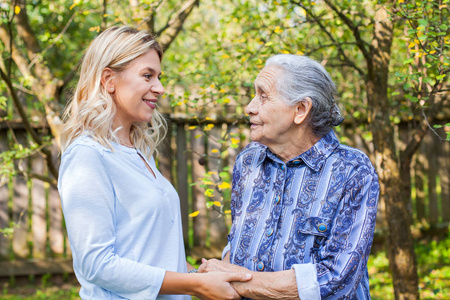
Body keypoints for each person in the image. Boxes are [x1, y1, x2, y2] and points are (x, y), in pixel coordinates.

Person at [58, 26, 251, 300]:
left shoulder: (139, 152)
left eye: (159, 77)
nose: (160, 88)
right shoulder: (87, 155)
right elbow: (96, 265)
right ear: (108, 80)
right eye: (147, 75)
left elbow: (150, 251)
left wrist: (199, 275)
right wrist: (195, 286)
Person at [199, 54, 380, 299]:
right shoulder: (249, 160)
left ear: (301, 109)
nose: (249, 107)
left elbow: (335, 279)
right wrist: (222, 270)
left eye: (262, 96)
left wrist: (238, 282)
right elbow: (240, 239)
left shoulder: (352, 170)